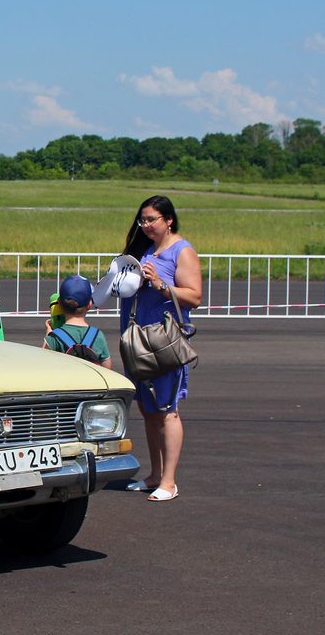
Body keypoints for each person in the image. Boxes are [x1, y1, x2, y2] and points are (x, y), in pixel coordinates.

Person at [120, 195, 202, 502]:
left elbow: (194, 296)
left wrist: (161, 285)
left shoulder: (183, 251)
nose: (145, 225)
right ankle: (155, 474)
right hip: (138, 339)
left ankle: (169, 481)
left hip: (164, 340)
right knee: (147, 409)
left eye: (151, 219)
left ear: (169, 219)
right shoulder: (146, 250)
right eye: (142, 220)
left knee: (167, 410)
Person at [43, 275, 111, 368]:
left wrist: (48, 334)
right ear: (89, 305)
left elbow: (44, 362)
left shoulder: (55, 337)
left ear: (59, 303)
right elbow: (107, 366)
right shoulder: (98, 336)